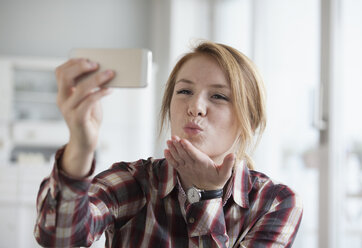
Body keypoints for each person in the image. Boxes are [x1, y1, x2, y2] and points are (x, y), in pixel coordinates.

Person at [34, 41, 303, 248]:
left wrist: (206, 195)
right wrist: (81, 145)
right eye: (184, 91)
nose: (195, 107)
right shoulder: (133, 181)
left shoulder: (275, 202)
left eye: (219, 96)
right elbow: (58, 236)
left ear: (251, 120)